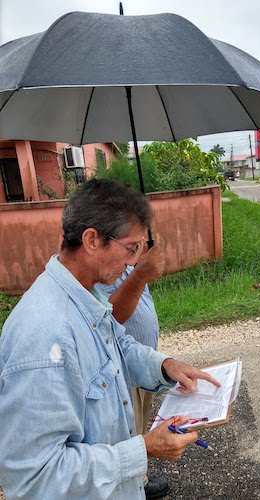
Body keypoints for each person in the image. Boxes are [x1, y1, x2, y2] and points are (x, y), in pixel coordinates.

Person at [0, 179, 220, 500]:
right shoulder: (44, 337)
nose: (133, 262)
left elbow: (119, 346)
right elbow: (35, 476)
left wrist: (166, 367)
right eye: (131, 248)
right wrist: (143, 449)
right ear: (92, 240)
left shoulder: (85, 295)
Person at [95, 245, 169, 499]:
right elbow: (109, 319)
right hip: (121, 374)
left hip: (141, 367)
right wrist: (141, 275)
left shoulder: (128, 261)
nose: (140, 246)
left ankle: (138, 481)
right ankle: (133, 487)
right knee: (126, 436)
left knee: (138, 427)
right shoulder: (104, 266)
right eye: (133, 242)